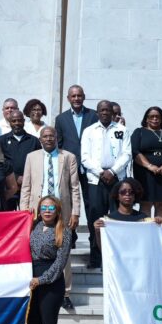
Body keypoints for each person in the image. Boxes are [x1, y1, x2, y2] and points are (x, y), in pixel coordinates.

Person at [94, 178, 162, 324]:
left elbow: (155, 246)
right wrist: (99, 231)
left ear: (136, 195)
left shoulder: (143, 220)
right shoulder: (109, 219)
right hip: (117, 281)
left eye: (131, 192)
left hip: (140, 282)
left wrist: (161, 225)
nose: (127, 195)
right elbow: (103, 250)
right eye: (123, 192)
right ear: (117, 195)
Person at [20, 125, 81, 311]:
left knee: (64, 249)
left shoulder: (68, 157)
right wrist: (24, 213)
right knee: (35, 247)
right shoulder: (32, 157)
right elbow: (26, 187)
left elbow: (74, 187)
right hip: (37, 210)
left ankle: (66, 293)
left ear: (56, 138)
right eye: (45, 136)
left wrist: (75, 212)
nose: (48, 139)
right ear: (40, 139)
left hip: (61, 210)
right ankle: (36, 284)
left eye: (51, 136)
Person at [26, 195, 72, 324]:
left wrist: (41, 280)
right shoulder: (33, 226)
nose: (47, 211)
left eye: (51, 208)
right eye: (44, 207)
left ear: (57, 211)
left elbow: (60, 263)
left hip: (50, 283)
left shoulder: (64, 231)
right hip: (31, 280)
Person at [80, 100, 131, 269]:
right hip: (96, 179)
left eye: (108, 110)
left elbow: (126, 154)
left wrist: (112, 171)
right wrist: (101, 172)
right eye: (101, 110)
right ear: (97, 113)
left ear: (112, 112)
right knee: (96, 217)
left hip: (117, 179)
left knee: (118, 217)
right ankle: (96, 258)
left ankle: (118, 259)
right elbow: (85, 157)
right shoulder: (89, 131)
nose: (104, 113)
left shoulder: (122, 130)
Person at [54, 85, 99, 256]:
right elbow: (59, 143)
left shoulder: (94, 115)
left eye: (79, 95)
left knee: (91, 205)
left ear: (84, 97)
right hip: (69, 167)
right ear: (68, 98)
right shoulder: (61, 118)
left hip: (90, 168)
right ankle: (70, 237)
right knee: (68, 203)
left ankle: (93, 241)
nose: (76, 99)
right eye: (73, 96)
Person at [131, 106, 162, 222]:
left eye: (157, 116)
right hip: (144, 173)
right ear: (146, 119)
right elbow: (134, 151)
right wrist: (149, 166)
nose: (155, 119)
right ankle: (145, 233)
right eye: (151, 116)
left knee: (161, 204)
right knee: (146, 203)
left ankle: (160, 234)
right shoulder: (139, 132)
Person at [0, 110, 40, 210]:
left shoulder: (34, 141)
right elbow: (0, 162)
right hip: (8, 187)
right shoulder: (1, 140)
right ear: (10, 122)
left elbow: (38, 163)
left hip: (28, 187)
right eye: (14, 121)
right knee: (8, 218)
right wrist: (15, 178)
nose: (17, 123)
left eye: (19, 120)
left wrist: (25, 178)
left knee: (28, 216)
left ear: (24, 121)